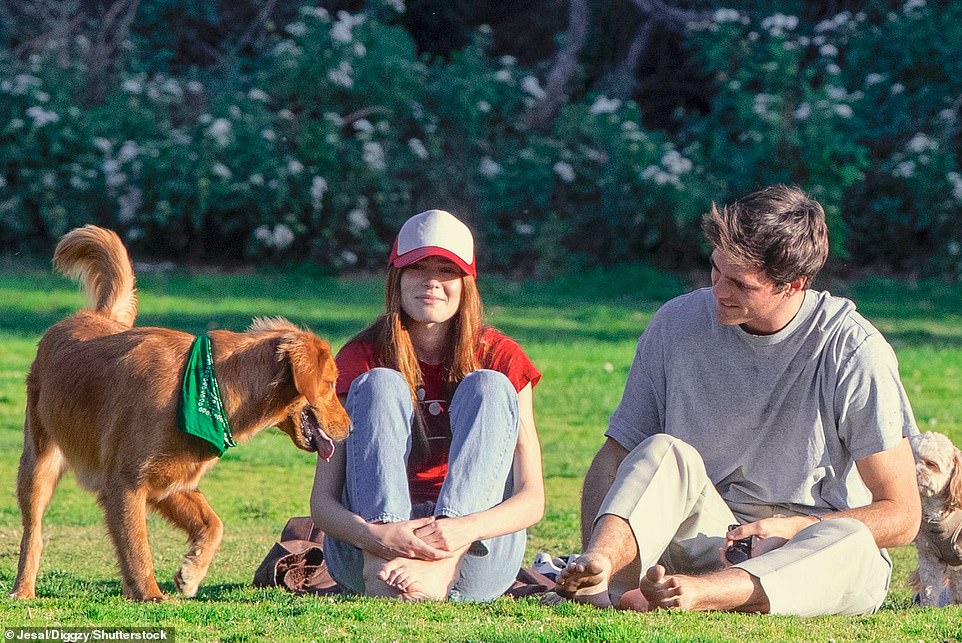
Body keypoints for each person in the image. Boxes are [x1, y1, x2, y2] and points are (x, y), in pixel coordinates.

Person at [556, 185, 921, 616]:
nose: (718, 290)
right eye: (715, 270)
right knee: (661, 451)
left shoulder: (853, 350)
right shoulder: (675, 324)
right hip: (708, 535)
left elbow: (902, 514)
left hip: (807, 552)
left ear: (794, 284)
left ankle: (699, 594)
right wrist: (597, 553)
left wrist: (794, 528)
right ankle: (602, 572)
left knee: (851, 541)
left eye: (740, 283)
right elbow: (616, 455)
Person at [310, 209, 544, 601]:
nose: (432, 281)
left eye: (447, 270)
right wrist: (378, 537)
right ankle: (377, 570)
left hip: (471, 548)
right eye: (418, 267)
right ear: (396, 278)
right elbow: (322, 503)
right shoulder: (359, 356)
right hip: (372, 544)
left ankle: (440, 568)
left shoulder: (501, 355)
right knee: (381, 384)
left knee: (488, 385)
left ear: (466, 283)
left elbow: (532, 498)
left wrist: (459, 532)